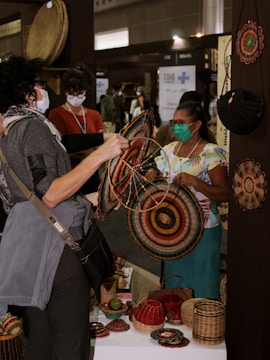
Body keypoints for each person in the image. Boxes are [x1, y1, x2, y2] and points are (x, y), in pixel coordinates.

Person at [0, 55, 129, 360]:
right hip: (56, 250)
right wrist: (101, 154)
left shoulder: (9, 129)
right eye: (38, 84)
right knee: (71, 342)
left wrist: (94, 194)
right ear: (26, 90)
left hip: (28, 249)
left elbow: (32, 191)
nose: (43, 90)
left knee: (41, 340)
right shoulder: (31, 127)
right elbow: (51, 194)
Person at [147, 101, 229, 299]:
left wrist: (196, 182)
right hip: (172, 231)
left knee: (202, 286)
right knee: (175, 284)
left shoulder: (211, 153)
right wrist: (151, 175)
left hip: (203, 231)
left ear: (197, 125)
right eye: (174, 121)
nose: (176, 126)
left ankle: (203, 326)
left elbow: (225, 193)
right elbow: (155, 179)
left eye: (182, 122)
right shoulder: (168, 150)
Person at [48, 63, 105, 194]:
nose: (75, 98)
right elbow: (59, 147)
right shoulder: (56, 114)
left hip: (92, 172)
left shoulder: (94, 115)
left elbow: (102, 140)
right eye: (71, 94)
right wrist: (86, 152)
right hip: (69, 173)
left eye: (80, 94)